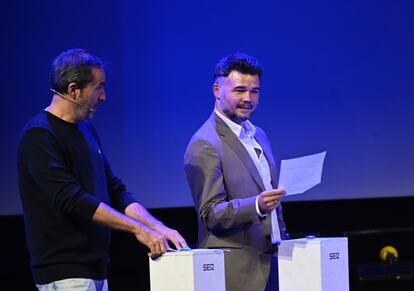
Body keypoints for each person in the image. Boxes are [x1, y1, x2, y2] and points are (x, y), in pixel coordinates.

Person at [17, 48, 188, 291]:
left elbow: (115, 188)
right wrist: (137, 229)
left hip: (94, 268)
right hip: (65, 272)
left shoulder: (86, 130)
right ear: (73, 90)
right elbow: (73, 199)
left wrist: (155, 226)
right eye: (98, 87)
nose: (104, 96)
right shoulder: (40, 135)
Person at [184, 52, 287, 291]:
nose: (248, 98)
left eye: (254, 91)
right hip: (236, 272)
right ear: (217, 91)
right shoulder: (205, 143)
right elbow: (211, 213)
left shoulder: (258, 134)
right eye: (239, 90)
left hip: (271, 264)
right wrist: (257, 205)